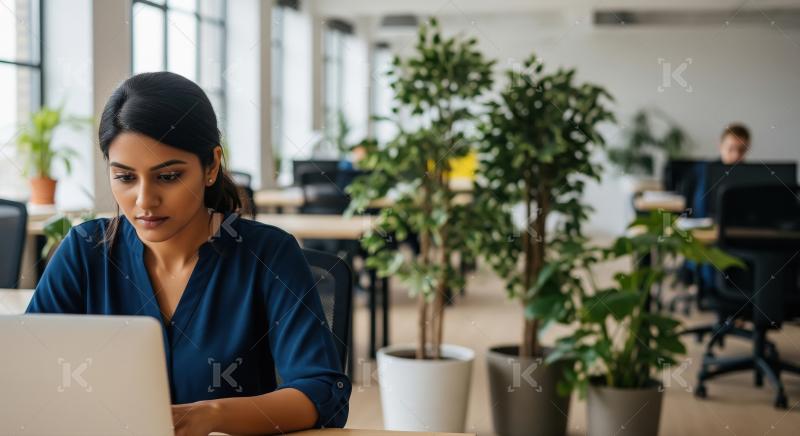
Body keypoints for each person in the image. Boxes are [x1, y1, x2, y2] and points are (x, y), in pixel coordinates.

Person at [26, 72, 350, 435]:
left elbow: (322, 392)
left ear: (211, 166)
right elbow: (28, 373)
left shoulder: (269, 255)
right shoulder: (84, 253)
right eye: (126, 178)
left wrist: (211, 416)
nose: (145, 201)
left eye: (168, 176)